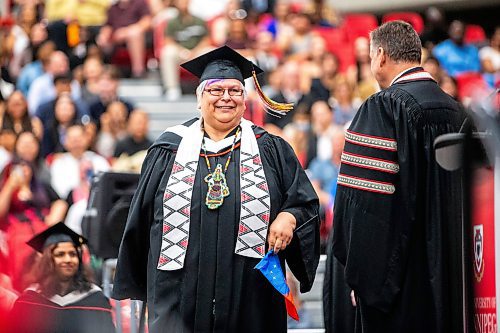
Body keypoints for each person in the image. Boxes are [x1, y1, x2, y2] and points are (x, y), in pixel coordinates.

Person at [112, 45, 320, 333]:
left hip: (249, 294)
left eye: (234, 91)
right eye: (216, 90)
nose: (226, 98)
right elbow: (142, 217)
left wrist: (289, 217)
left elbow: (304, 202)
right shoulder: (168, 149)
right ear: (199, 98)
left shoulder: (270, 149)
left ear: (245, 100)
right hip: (178, 295)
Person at [323, 21, 468, 333]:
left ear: (379, 55)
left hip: (401, 290)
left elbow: (366, 206)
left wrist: (365, 280)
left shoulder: (383, 108)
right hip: (454, 283)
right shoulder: (458, 111)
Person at [7, 222, 115, 333]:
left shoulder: (96, 299)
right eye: (60, 254)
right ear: (47, 261)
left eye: (73, 254)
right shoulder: (29, 301)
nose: (68, 260)